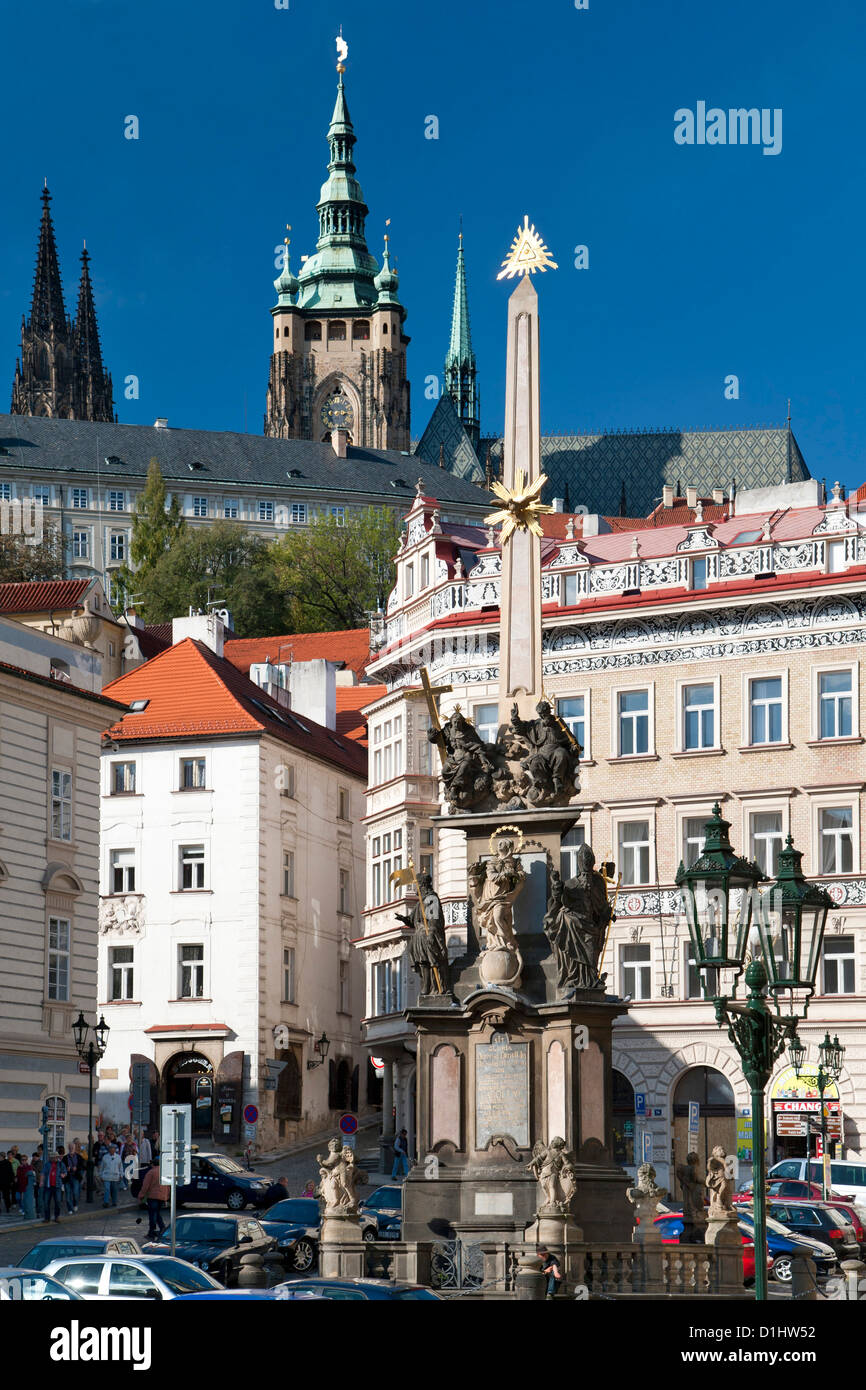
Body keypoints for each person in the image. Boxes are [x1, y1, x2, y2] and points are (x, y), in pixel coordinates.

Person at [138, 1162, 169, 1240]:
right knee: (156, 1213)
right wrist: (167, 1196)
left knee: (153, 1214)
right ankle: (162, 1228)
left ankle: (151, 1232)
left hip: (153, 1196)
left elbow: (145, 1185)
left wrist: (141, 1195)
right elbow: (168, 1185)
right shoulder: (165, 1172)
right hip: (162, 1196)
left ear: (152, 1164)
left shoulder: (151, 1172)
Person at [41, 1152, 64, 1223]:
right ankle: (47, 1218)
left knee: (58, 1202)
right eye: (51, 1157)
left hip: (57, 1186)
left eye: (54, 1157)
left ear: (56, 1157)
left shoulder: (61, 1164)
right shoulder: (47, 1164)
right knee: (46, 1202)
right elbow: (43, 1173)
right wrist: (41, 1181)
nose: (52, 1158)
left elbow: (65, 1172)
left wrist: (63, 1175)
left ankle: (57, 1217)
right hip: (48, 1186)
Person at [66, 1142, 83, 1213]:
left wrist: (77, 1168)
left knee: (75, 1193)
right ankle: (69, 1208)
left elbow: (82, 1166)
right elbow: (62, 1167)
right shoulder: (65, 1157)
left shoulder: (79, 1157)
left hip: (75, 1177)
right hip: (67, 1178)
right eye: (70, 1147)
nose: (71, 1149)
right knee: (68, 1195)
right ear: (68, 1148)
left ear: (75, 1148)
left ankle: (75, 1204)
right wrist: (66, 1168)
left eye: (72, 1147)